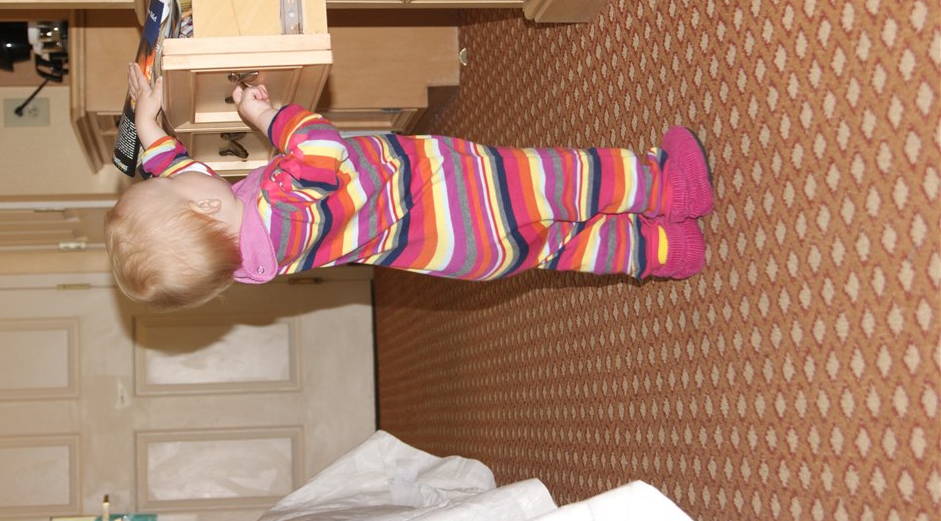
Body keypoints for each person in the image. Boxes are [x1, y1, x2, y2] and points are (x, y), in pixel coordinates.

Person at [105, 63, 714, 311]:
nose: (181, 174)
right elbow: (321, 148)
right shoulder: (281, 204)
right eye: (171, 187)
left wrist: (151, 128)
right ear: (203, 204)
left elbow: (190, 180)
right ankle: (673, 188)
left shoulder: (244, 254)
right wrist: (264, 116)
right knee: (568, 182)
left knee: (566, 245)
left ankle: (666, 251)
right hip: (464, 197)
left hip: (460, 252)